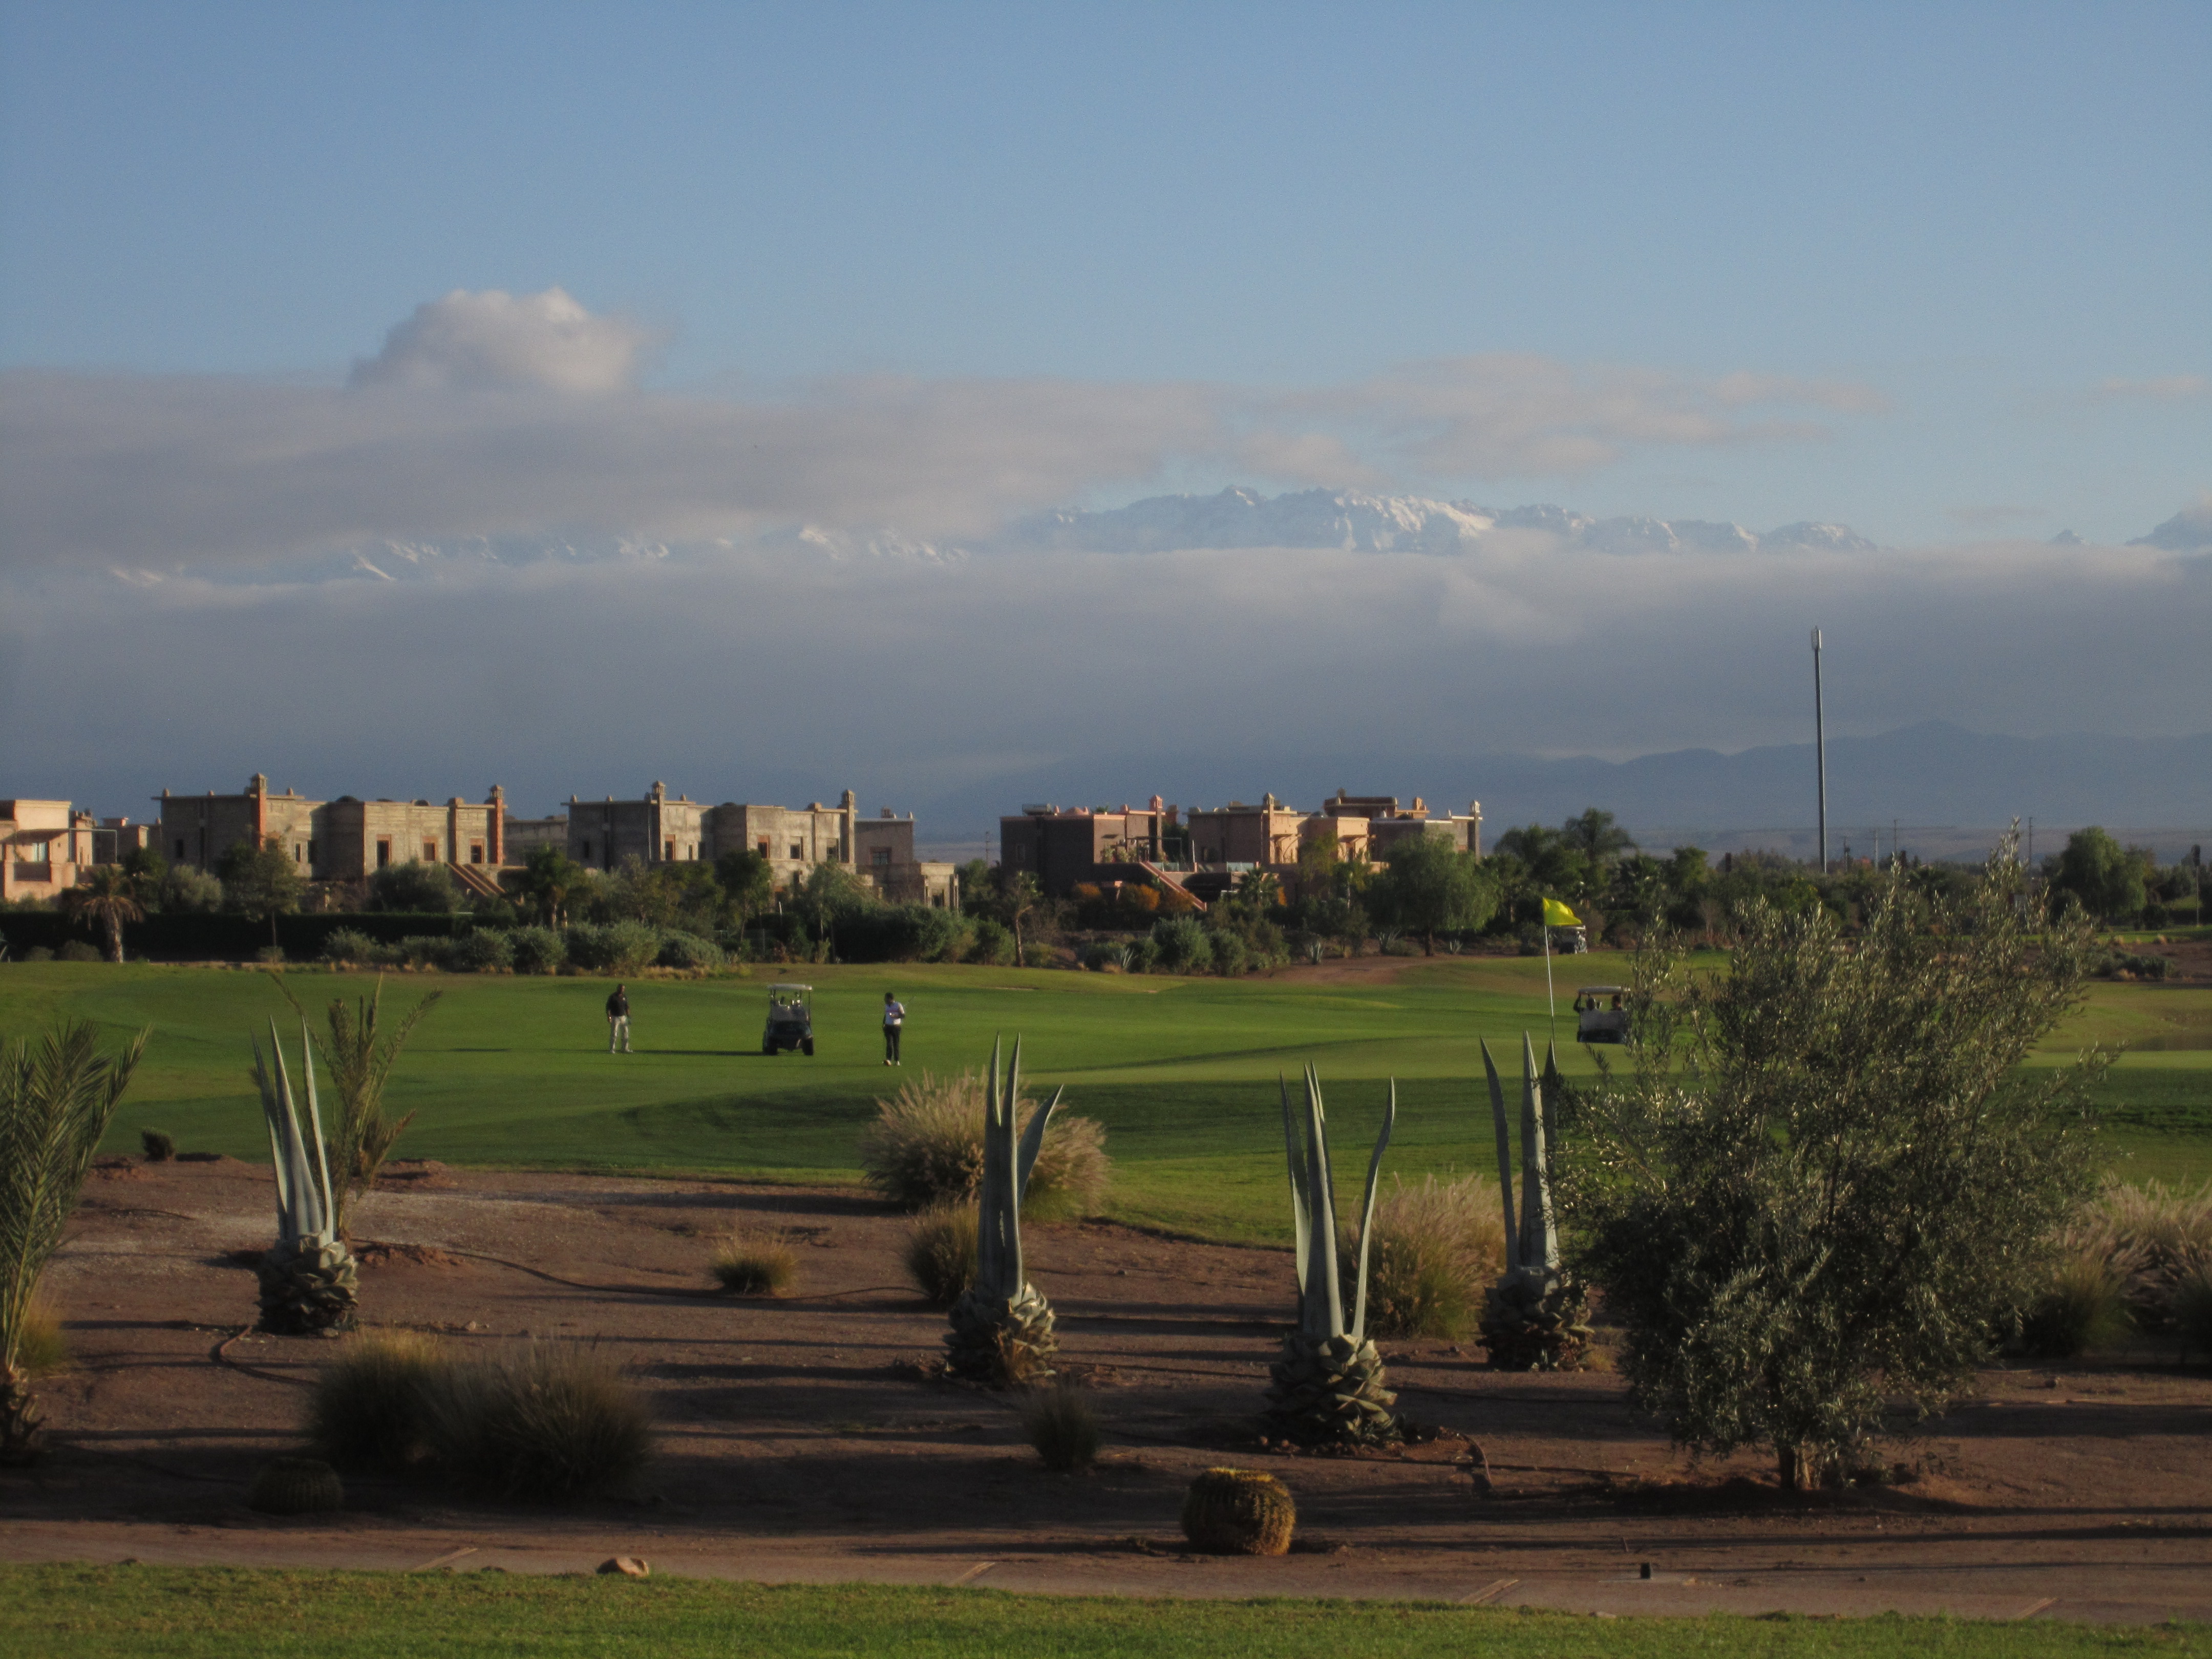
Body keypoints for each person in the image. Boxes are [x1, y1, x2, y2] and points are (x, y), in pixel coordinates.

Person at [882, 990, 906, 1066]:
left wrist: (896, 1016)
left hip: (896, 1027)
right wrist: (884, 1024)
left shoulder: (898, 1005)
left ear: (890, 999)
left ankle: (897, 1060)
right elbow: (886, 1016)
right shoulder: (886, 1006)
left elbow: (903, 1016)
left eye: (886, 999)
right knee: (889, 1044)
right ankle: (889, 1060)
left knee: (896, 1044)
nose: (885, 1000)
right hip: (888, 1027)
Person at [606, 983, 631, 1054]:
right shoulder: (613, 997)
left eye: (623, 989)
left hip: (623, 1017)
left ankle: (625, 1049)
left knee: (625, 1033)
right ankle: (612, 1049)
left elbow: (627, 1007)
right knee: (614, 1034)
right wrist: (609, 1017)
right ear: (618, 989)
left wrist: (629, 1016)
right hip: (615, 1017)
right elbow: (608, 1008)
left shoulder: (624, 997)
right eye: (621, 989)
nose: (622, 990)